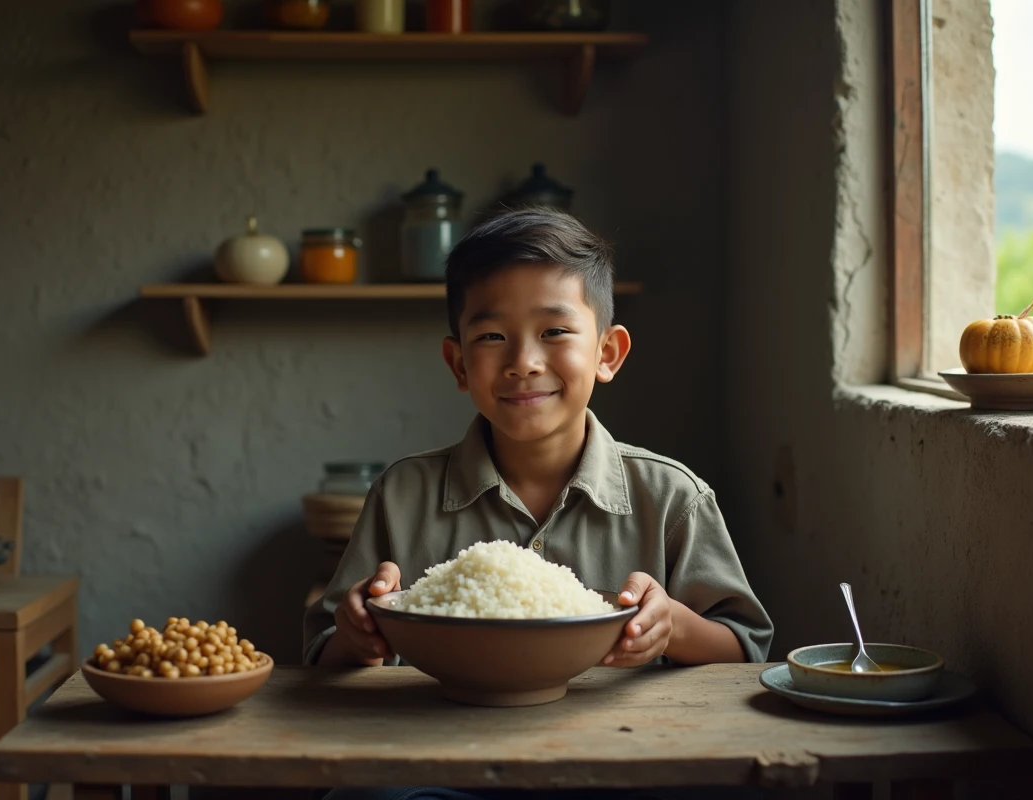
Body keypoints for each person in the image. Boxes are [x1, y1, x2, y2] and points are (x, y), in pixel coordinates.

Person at [304, 208, 774, 800]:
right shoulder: (403, 495)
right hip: (440, 763)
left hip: (620, 763)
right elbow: (324, 658)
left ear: (607, 352)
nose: (523, 361)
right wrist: (359, 633)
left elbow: (747, 649)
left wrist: (671, 625)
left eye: (554, 332)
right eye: (492, 336)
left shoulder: (671, 496)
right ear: (458, 363)